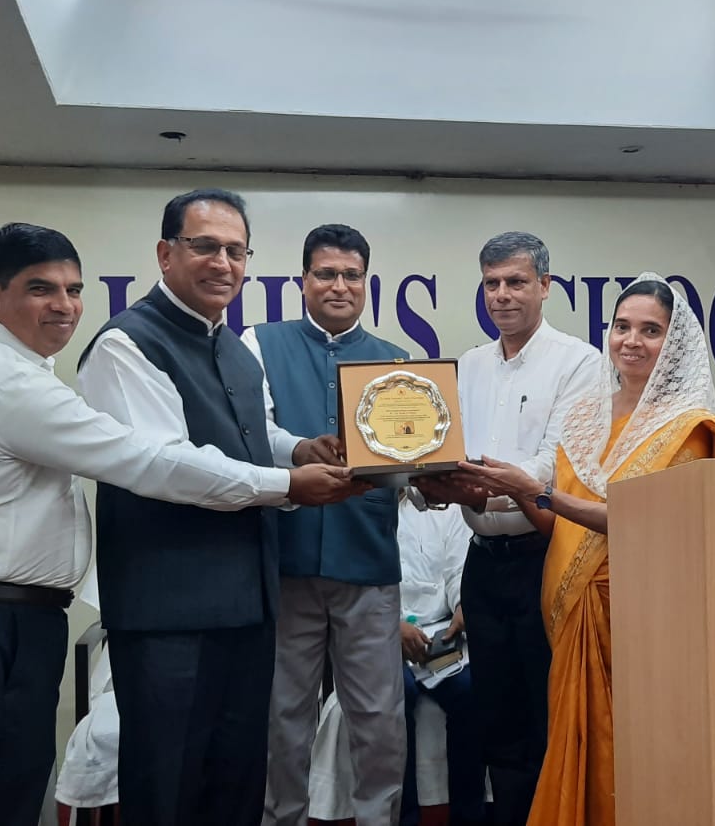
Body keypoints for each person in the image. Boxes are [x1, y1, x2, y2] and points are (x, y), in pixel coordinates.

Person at [0, 222, 354, 826]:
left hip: (10, 617)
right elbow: (146, 460)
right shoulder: (8, 377)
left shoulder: (25, 367)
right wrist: (287, 486)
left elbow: (231, 436)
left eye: (73, 289)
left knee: (8, 800)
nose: (63, 305)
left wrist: (293, 452)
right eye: (40, 289)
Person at [76, 189, 363, 826]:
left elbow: (249, 435)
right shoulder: (127, 344)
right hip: (167, 612)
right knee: (169, 787)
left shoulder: (232, 348)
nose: (223, 263)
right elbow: (168, 464)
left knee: (235, 785)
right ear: (165, 253)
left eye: (236, 251)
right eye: (205, 246)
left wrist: (298, 450)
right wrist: (288, 484)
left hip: (247, 605)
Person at [458, 274, 715, 826]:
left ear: (675, 343)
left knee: (630, 746)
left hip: (640, 617)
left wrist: (536, 489)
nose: (631, 341)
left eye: (651, 330)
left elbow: (643, 523)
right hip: (567, 611)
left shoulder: (690, 429)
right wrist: (498, 492)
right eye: (622, 326)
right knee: (541, 737)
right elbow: (554, 526)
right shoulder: (586, 418)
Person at [417, 231, 600, 826]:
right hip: (484, 562)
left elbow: (552, 468)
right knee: (495, 715)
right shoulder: (468, 365)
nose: (502, 295)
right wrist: (430, 482)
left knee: (547, 711)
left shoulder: (579, 363)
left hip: (544, 558)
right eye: (492, 283)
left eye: (516, 282)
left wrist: (479, 483)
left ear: (545, 286)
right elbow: (446, 455)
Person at [242, 224, 411, 826]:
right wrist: (297, 450)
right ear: (303, 281)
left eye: (351, 275)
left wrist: (431, 478)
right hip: (285, 560)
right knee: (283, 716)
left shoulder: (397, 362)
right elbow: (251, 428)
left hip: (366, 559)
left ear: (366, 283)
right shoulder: (259, 343)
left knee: (379, 717)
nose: (339, 286)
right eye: (326, 274)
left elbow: (409, 458)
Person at [395, 496, 487, 826]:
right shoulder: (370, 508)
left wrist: (462, 605)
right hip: (383, 632)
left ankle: (469, 817)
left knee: (469, 690)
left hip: (440, 633)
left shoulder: (446, 510)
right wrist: (393, 626)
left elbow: (457, 570)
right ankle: (404, 818)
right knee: (398, 694)